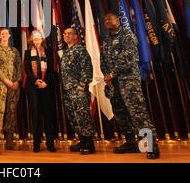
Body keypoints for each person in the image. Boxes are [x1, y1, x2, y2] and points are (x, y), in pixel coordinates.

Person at [100, 12, 160, 159]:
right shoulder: (106, 40)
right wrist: (107, 76)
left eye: (110, 18)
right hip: (113, 85)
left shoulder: (127, 35)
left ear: (118, 20)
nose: (107, 21)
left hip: (128, 82)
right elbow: (103, 61)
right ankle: (131, 143)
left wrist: (112, 74)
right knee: (120, 115)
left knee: (137, 113)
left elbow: (128, 56)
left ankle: (151, 146)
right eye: (105, 19)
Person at [60, 28, 96, 154]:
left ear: (75, 36)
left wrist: (81, 86)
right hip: (68, 91)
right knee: (73, 117)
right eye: (64, 33)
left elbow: (87, 68)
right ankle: (82, 139)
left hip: (78, 89)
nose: (66, 35)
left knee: (83, 115)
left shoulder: (80, 49)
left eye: (69, 33)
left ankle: (89, 143)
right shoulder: (65, 52)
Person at [0, 28, 22, 155]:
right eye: (2, 34)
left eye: (6, 33)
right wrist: (5, 80)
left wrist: (17, 81)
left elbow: (19, 66)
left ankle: (9, 141)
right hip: (0, 85)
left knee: (11, 111)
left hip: (14, 86)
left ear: (9, 36)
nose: (4, 35)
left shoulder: (15, 51)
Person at [23, 30, 56, 153]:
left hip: (46, 86)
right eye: (34, 37)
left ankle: (50, 142)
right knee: (35, 115)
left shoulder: (47, 52)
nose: (36, 39)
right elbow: (27, 69)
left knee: (47, 114)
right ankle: (36, 143)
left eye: (39, 37)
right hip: (32, 86)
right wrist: (35, 81)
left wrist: (45, 82)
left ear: (42, 39)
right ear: (31, 39)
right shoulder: (27, 53)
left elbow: (51, 69)